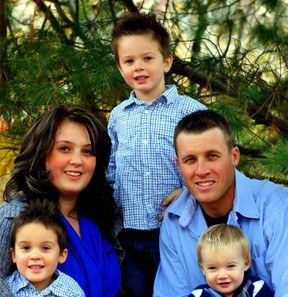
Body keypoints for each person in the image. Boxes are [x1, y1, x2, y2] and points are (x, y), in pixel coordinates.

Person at [109, 12, 206, 297]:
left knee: (181, 289)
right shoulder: (118, 117)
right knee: (137, 290)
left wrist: (189, 190)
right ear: (119, 67)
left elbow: (211, 163)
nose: (138, 67)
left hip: (177, 229)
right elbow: (111, 172)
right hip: (128, 232)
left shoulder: (190, 111)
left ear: (166, 61)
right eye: (129, 61)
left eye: (147, 58)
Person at [153, 109, 288, 297]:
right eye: (190, 160)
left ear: (234, 156)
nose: (201, 170)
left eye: (212, 156)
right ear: (179, 165)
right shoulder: (174, 219)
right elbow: (172, 292)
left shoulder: (278, 208)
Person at [0, 104, 121, 297]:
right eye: (64, 148)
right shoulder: (13, 216)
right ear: (41, 154)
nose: (77, 160)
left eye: (88, 151)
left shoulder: (103, 217)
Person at [6, 199, 86, 297]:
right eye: (26, 248)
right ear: (13, 255)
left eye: (45, 248)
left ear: (62, 254)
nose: (35, 256)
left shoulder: (72, 291)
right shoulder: (7, 288)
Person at [189, 224, 273, 297]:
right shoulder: (199, 294)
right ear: (203, 269)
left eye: (230, 266)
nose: (222, 276)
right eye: (212, 268)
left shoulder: (255, 288)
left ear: (246, 263)